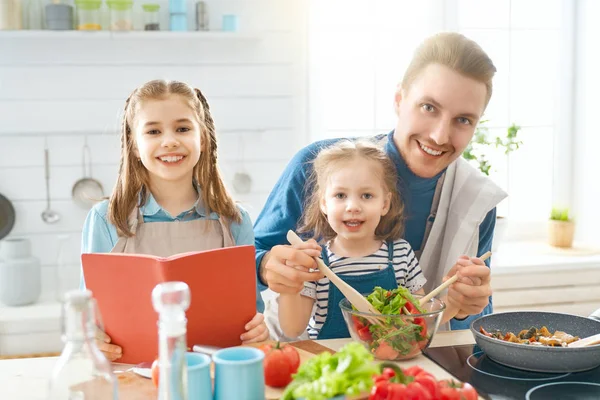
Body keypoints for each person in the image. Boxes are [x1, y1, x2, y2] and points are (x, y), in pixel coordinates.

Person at [254, 32, 508, 337]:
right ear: (399, 100)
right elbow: (246, 257)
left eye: (463, 120)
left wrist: (469, 302)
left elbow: (471, 317)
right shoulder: (318, 166)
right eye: (429, 107)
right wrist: (264, 265)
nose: (440, 136)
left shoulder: (476, 202)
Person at [81, 80, 269, 361]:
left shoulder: (234, 220)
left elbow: (252, 314)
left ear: (202, 139)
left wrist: (257, 330)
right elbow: (89, 314)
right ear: (134, 145)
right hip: (132, 374)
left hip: (215, 371)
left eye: (182, 128)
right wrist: (91, 337)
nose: (169, 141)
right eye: (153, 131)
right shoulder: (106, 219)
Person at [278, 140, 465, 339]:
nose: (352, 206)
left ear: (384, 204)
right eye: (340, 195)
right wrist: (290, 283)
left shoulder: (401, 254)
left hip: (388, 361)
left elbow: (420, 317)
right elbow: (292, 329)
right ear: (324, 203)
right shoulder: (316, 262)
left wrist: (454, 302)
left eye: (366, 195)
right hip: (334, 362)